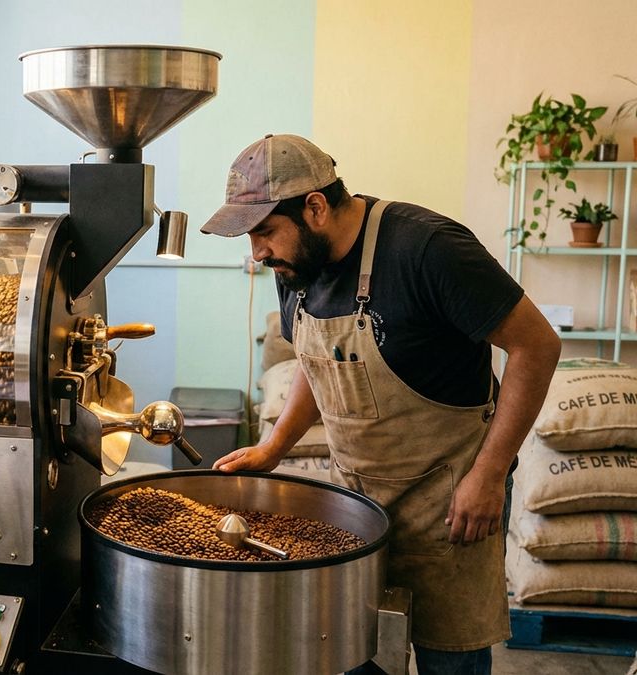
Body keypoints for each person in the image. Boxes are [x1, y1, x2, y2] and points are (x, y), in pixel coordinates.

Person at [201, 134, 561, 674]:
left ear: (315, 208)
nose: (257, 253)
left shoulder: (427, 249)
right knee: (353, 655)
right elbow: (316, 360)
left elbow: (536, 346)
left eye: (264, 232)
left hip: (450, 501)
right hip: (357, 504)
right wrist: (274, 446)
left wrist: (489, 475)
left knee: (451, 662)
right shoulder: (296, 267)